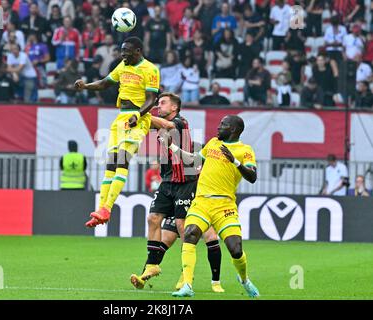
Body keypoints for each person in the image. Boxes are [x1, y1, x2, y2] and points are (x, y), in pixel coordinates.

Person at [130, 92, 224, 294]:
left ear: (174, 108)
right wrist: (131, 117)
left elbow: (167, 126)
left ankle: (186, 274)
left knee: (183, 226)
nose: (158, 106)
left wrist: (140, 114)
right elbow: (148, 125)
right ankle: (151, 266)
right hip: (167, 182)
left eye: (162, 103)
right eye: (157, 103)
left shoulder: (181, 122)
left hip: (186, 184)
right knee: (153, 218)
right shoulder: (160, 123)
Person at [168, 115, 260, 298]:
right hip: (202, 202)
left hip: (224, 205)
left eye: (223, 125)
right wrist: (172, 146)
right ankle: (187, 285)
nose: (218, 127)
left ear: (233, 129)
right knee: (190, 233)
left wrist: (235, 161)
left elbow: (252, 177)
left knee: (236, 249)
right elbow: (194, 160)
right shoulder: (212, 143)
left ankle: (244, 280)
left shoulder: (245, 150)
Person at [74, 36, 159, 228]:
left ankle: (107, 208)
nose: (123, 55)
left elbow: (152, 99)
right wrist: (85, 86)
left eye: (126, 52)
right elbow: (105, 83)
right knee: (111, 163)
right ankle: (100, 211)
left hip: (138, 119)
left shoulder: (150, 69)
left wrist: (137, 115)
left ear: (138, 51)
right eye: (122, 52)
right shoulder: (123, 65)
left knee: (122, 159)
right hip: (121, 118)